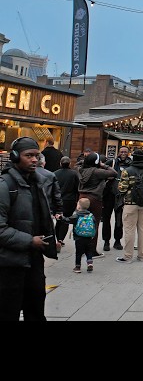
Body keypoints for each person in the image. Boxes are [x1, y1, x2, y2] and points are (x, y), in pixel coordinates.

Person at [0, 136, 57, 321]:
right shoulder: (5, 185)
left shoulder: (37, 182)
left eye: (36, 155)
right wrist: (29, 240)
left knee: (36, 311)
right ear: (15, 157)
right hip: (9, 264)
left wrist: (51, 240)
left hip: (33, 260)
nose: (34, 159)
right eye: (28, 155)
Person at [115, 149, 143, 263]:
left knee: (129, 230)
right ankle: (142, 255)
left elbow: (122, 188)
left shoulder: (127, 171)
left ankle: (128, 256)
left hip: (130, 204)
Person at [77, 152, 118, 259]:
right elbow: (114, 173)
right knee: (94, 225)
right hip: (95, 198)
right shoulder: (98, 172)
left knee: (81, 223)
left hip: (82, 197)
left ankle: (80, 249)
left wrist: (83, 162)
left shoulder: (80, 170)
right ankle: (92, 250)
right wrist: (104, 165)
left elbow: (76, 165)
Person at [109, 146, 131, 251]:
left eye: (125, 152)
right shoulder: (112, 162)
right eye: (121, 151)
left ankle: (117, 241)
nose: (123, 153)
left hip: (122, 196)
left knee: (119, 220)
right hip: (110, 194)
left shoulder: (130, 163)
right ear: (118, 152)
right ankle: (106, 241)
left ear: (128, 153)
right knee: (106, 219)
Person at [65, 198, 96, 274]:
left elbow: (68, 220)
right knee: (88, 251)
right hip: (89, 237)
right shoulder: (91, 216)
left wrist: (60, 217)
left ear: (78, 207)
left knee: (78, 253)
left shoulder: (77, 216)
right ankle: (90, 263)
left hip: (79, 238)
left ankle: (78, 267)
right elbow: (95, 225)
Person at [54, 156, 80, 245]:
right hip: (70, 200)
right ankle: (60, 239)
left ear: (60, 163)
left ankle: (57, 237)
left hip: (57, 200)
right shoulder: (74, 174)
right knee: (66, 220)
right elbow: (78, 187)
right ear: (69, 163)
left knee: (58, 218)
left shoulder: (55, 174)